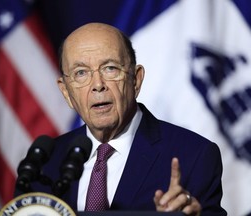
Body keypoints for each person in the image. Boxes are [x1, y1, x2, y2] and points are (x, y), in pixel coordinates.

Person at [17, 22, 227, 215]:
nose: (98, 84)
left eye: (110, 68)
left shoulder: (194, 155)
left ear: (136, 80)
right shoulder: (45, 165)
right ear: (66, 92)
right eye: (81, 73)